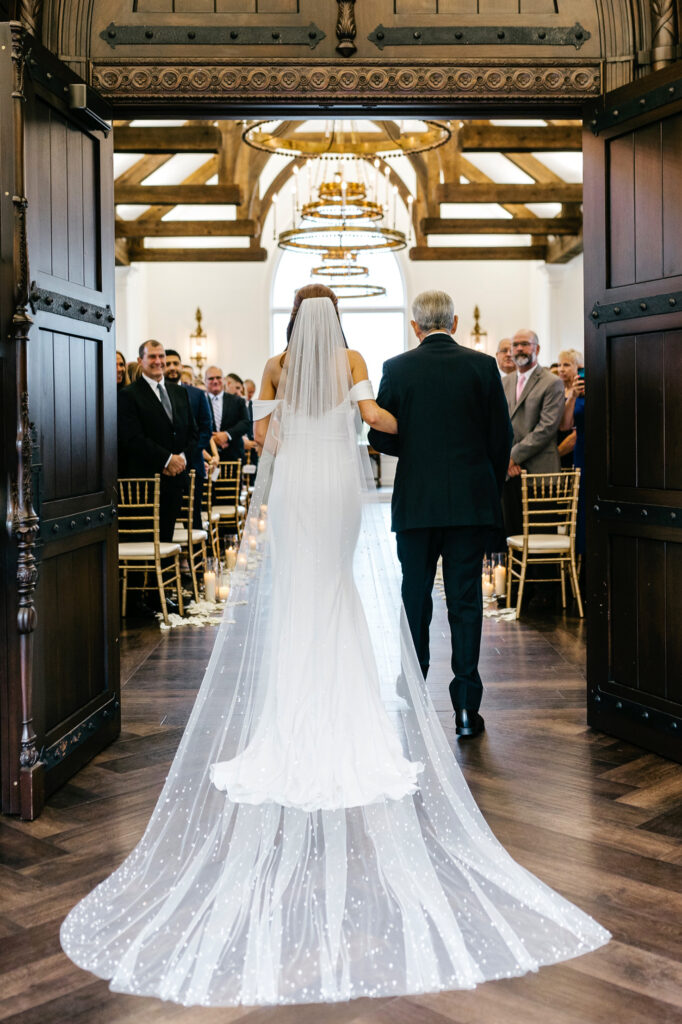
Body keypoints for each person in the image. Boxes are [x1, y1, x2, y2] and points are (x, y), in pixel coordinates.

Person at [61, 286, 609, 1006]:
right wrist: (406, 423)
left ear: (293, 322)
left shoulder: (274, 365)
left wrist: (300, 417)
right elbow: (374, 417)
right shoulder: (354, 356)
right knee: (342, 587)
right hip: (342, 490)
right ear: (336, 324)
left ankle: (297, 707)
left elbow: (264, 442)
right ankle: (401, 702)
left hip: (295, 489)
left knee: (299, 590)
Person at [368, 290, 512, 739]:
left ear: (416, 326)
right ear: (453, 323)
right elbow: (500, 437)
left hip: (416, 504)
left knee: (415, 596)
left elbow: (382, 437)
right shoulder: (482, 365)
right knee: (465, 601)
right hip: (470, 503)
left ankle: (413, 691)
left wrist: (414, 443)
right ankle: (467, 707)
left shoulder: (396, 368)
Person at [118, 339, 198, 543]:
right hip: (146, 482)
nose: (158, 361)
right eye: (152, 356)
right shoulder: (129, 395)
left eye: (161, 356)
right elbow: (132, 438)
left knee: (167, 540)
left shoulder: (179, 392)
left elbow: (193, 434)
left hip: (176, 480)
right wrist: (166, 459)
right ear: (140, 360)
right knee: (146, 543)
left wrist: (180, 459)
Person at [501, 329, 565, 538]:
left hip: (540, 473)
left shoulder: (551, 382)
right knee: (512, 533)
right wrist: (506, 459)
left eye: (525, 344)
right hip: (510, 473)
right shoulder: (505, 382)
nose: (519, 348)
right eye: (516, 344)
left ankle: (543, 574)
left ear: (537, 348)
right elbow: (500, 423)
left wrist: (513, 456)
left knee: (540, 533)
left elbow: (546, 428)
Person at [164, 348, 215, 531]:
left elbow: (206, 429)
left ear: (181, 366)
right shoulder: (157, 393)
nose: (171, 367)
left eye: (175, 363)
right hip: (166, 466)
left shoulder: (196, 394)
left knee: (193, 519)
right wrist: (170, 458)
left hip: (193, 463)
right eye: (168, 363)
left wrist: (185, 456)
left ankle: (193, 559)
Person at [560, 368, 586, 556]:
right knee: (581, 507)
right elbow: (565, 425)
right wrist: (574, 395)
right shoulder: (575, 394)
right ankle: (581, 558)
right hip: (581, 453)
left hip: (599, 449)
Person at [205, 365, 250, 462]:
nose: (215, 381)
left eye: (218, 378)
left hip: (233, 456)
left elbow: (246, 423)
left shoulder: (237, 401)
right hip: (208, 457)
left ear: (224, 380)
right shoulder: (200, 400)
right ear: (205, 381)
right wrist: (212, 439)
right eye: (211, 378)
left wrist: (227, 435)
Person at [556, 349, 581, 468]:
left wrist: (556, 454)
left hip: (574, 452)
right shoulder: (558, 391)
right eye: (559, 365)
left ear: (578, 367)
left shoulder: (582, 393)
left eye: (566, 365)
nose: (561, 369)